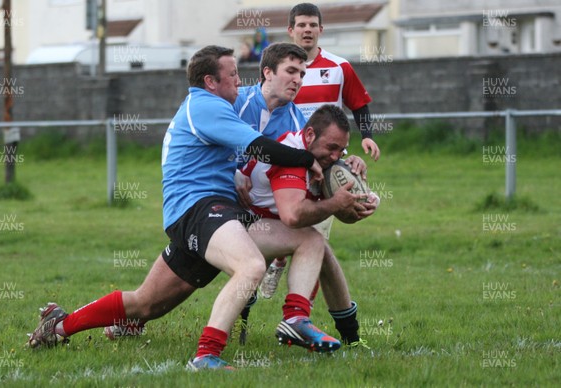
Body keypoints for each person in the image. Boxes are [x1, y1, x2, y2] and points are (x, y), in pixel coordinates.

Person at [27, 45, 350, 371]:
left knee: (147, 304)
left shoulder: (223, 105)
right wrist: (308, 160)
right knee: (251, 266)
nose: (240, 80)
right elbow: (260, 148)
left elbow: (278, 154)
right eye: (233, 74)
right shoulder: (206, 106)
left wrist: (342, 168)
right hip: (198, 210)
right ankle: (206, 355)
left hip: (223, 214)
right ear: (211, 81)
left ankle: (58, 325)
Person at [232, 42, 378, 348]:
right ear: (267, 72)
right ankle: (293, 320)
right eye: (291, 71)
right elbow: (204, 144)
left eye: (302, 72)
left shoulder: (300, 124)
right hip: (219, 206)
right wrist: (231, 173)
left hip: (265, 214)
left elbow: (325, 159)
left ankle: (347, 336)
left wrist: (352, 175)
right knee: (169, 287)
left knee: (317, 247)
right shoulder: (235, 102)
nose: (299, 79)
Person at [288, 2, 380, 162]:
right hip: (291, 154)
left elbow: (359, 105)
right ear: (291, 30)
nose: (307, 29)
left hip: (330, 157)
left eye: (313, 25)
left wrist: (367, 136)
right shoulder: (279, 69)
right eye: (301, 25)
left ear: (320, 30)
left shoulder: (340, 66)